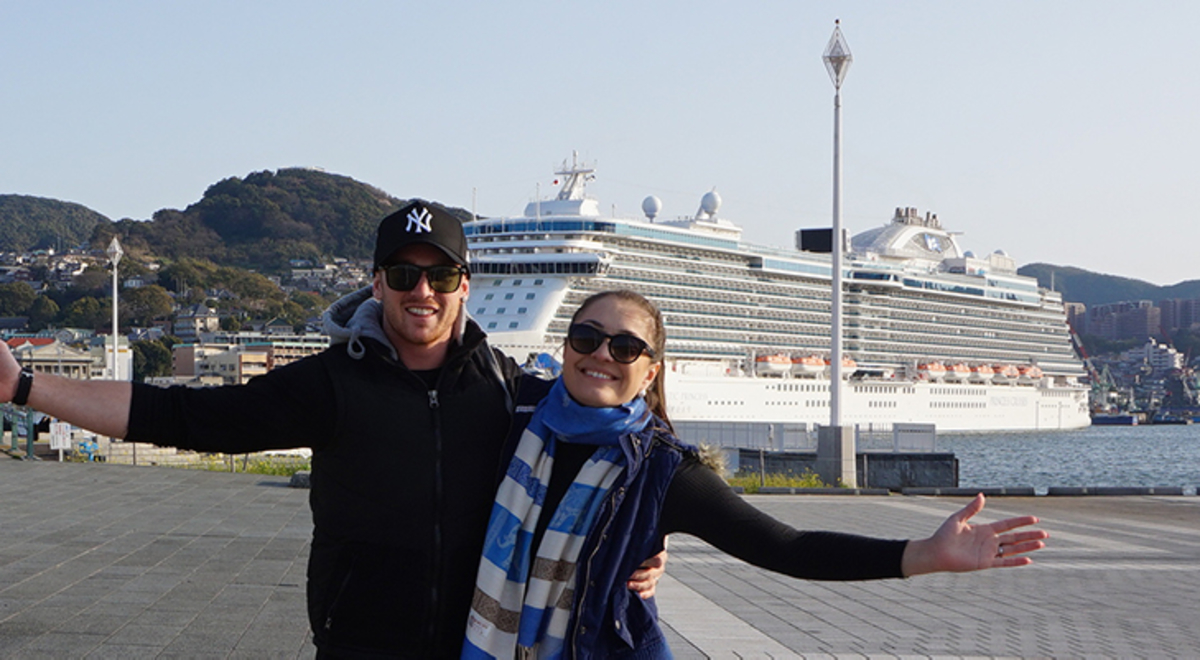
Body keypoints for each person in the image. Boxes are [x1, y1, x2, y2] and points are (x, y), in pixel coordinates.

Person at [0, 202, 662, 659]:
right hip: (356, 645)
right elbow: (184, 416)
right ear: (377, 284)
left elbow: (600, 448)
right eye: (403, 274)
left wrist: (639, 547)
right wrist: (25, 388)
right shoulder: (328, 383)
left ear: (466, 286)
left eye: (440, 275)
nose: (421, 291)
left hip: (473, 644)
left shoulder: (506, 386)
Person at [462, 290, 1049, 659]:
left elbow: (786, 548)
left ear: (652, 370)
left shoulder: (665, 472)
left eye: (625, 346)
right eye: (586, 338)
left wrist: (922, 554)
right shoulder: (510, 410)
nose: (601, 355)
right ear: (565, 347)